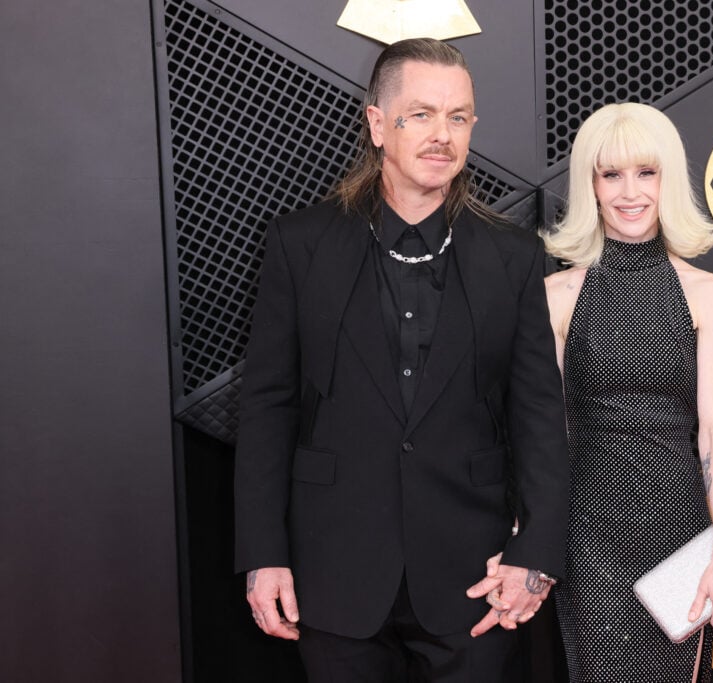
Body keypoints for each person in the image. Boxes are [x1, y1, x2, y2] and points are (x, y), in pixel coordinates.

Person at [234, 37, 569, 682]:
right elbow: (267, 406)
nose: (442, 134)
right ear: (378, 123)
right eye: (420, 114)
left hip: (476, 575)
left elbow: (536, 410)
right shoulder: (300, 244)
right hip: (332, 571)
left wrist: (537, 552)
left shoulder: (512, 255)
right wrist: (263, 554)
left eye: (459, 117)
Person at [542, 102, 713, 682]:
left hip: (682, 530)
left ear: (669, 179)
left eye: (646, 172)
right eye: (610, 174)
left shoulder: (709, 293)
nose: (629, 192)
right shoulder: (557, 295)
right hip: (588, 536)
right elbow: (544, 436)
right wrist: (529, 539)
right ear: (590, 185)